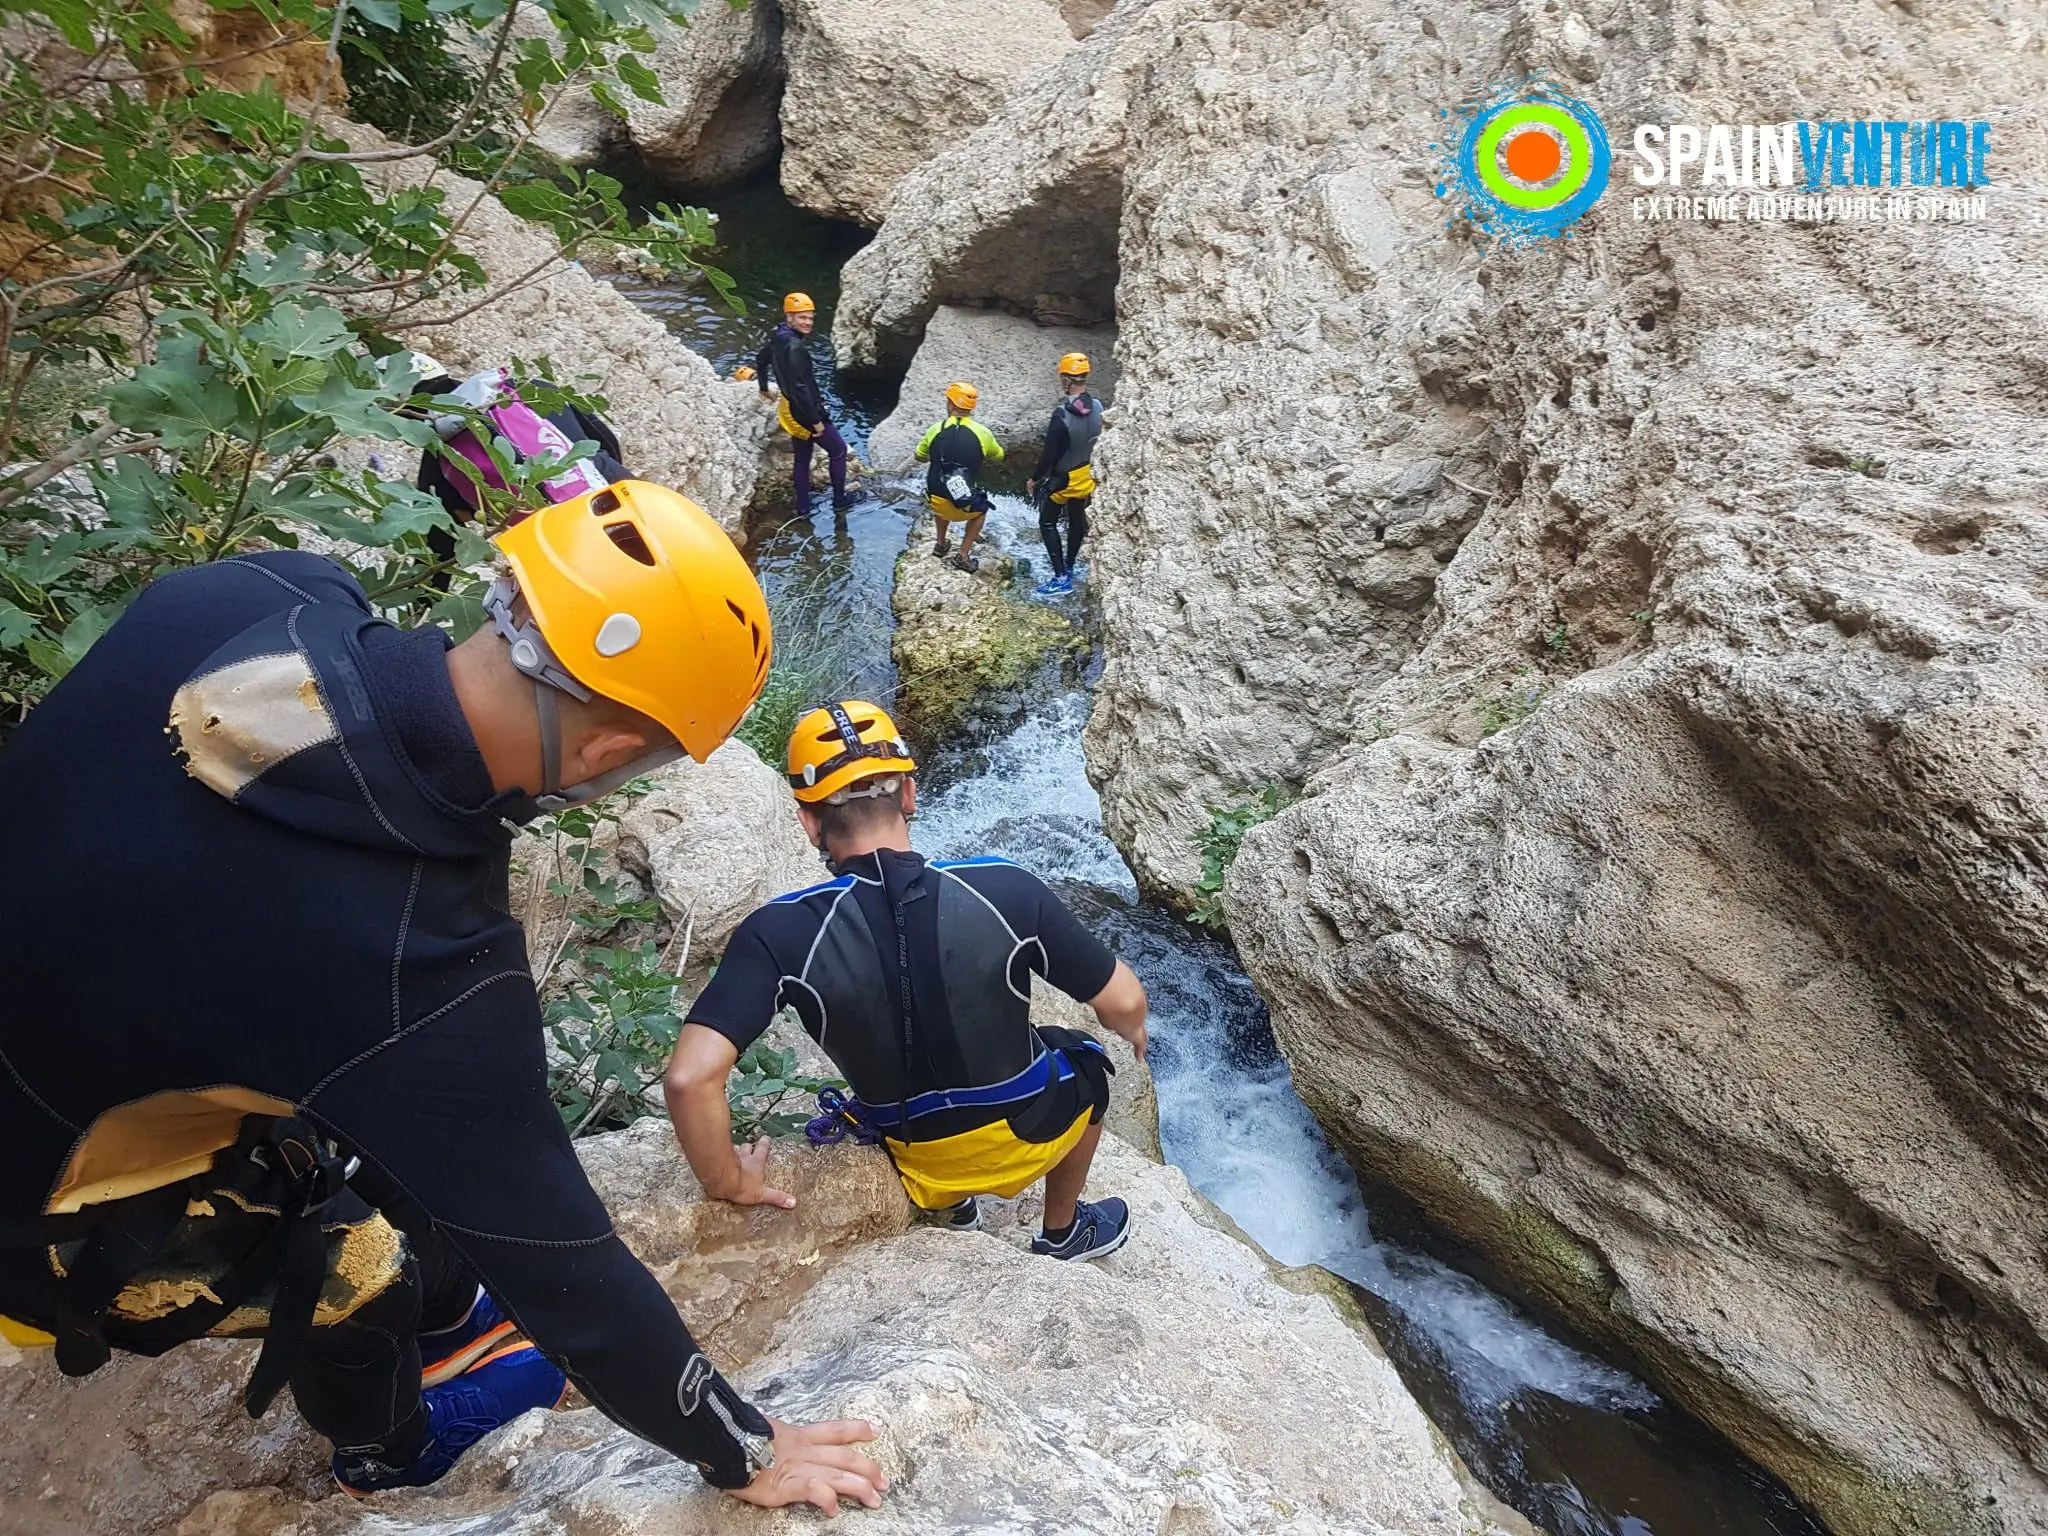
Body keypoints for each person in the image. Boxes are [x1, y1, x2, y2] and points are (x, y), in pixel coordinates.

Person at [0, 481, 886, 1516]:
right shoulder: (417, 965)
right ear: (604, 754)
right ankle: (387, 1449)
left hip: (76, 1017)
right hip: (43, 1220)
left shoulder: (250, 592)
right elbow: (564, 1265)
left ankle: (452, 1314)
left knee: (376, 1119)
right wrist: (746, 1450)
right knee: (363, 1274)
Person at [663, 701, 1150, 1258]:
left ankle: (951, 1204)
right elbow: (1123, 1000)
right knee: (1084, 1057)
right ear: (910, 795)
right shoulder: (1003, 888)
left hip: (910, 1154)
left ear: (809, 822)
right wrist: (1132, 1030)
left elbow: (689, 1079)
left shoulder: (777, 931)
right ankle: (1062, 1231)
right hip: (1029, 1136)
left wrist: (728, 1181)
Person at [753, 292, 852, 518]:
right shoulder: (795, 347)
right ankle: (840, 501)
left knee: (802, 457)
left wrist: (763, 386)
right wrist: (816, 421)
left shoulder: (778, 336)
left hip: (788, 407)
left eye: (810, 318)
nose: (808, 323)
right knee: (838, 451)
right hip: (804, 410)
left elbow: (761, 359)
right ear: (789, 317)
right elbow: (800, 388)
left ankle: (804, 508)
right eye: (802, 318)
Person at [1027, 352, 1102, 598]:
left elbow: (1049, 454)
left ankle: (1061, 578)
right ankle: (1069, 565)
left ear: (1066, 379)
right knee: (1076, 520)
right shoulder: (1099, 407)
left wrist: (1035, 478)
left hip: (1063, 480)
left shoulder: (1061, 414)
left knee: (1047, 522)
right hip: (1086, 475)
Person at [914, 382, 1003, 573]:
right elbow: (999, 455)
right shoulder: (983, 433)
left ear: (950, 403)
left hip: (936, 499)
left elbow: (919, 456)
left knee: (940, 494)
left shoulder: (935, 429)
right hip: (963, 501)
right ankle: (962, 555)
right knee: (981, 511)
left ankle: (940, 544)